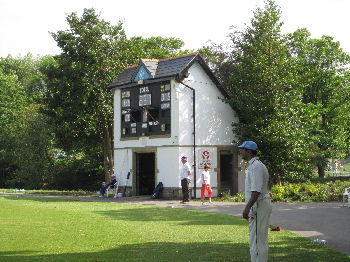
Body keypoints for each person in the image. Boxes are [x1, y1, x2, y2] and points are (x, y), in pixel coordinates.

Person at [238, 141, 271, 262]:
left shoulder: (256, 166)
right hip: (259, 205)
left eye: (243, 149)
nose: (240, 151)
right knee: (257, 239)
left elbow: (256, 191)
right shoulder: (253, 165)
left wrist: (247, 208)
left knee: (257, 240)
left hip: (259, 205)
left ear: (249, 151)